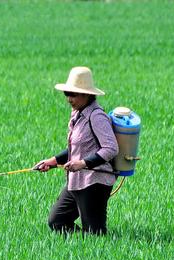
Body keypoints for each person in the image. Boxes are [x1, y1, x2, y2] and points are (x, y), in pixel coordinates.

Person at [34, 66, 119, 235]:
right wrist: (53, 161)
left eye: (73, 94)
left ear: (86, 94)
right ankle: (81, 251)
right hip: (76, 181)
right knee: (57, 221)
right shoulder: (77, 114)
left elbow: (111, 148)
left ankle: (96, 252)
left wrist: (82, 163)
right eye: (67, 93)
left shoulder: (96, 117)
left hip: (94, 182)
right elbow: (77, 148)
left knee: (95, 234)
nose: (68, 99)